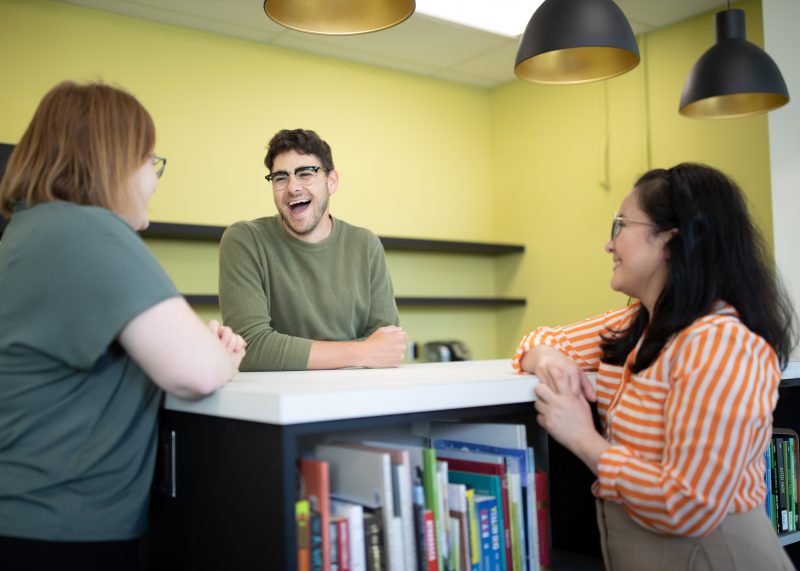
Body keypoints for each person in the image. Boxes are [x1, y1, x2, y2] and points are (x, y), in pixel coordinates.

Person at [0, 81, 246, 570]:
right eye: (150, 160)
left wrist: (199, 345)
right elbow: (195, 370)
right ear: (112, 160)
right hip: (60, 529)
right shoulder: (87, 230)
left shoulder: (32, 232)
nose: (153, 178)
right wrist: (225, 356)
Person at [512, 163, 797, 570]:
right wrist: (549, 359)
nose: (609, 245)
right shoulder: (637, 323)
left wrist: (582, 437)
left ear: (671, 240)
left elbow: (687, 506)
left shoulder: (721, 344)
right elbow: (538, 340)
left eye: (620, 225)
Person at [219, 128, 406, 371]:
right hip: (281, 404)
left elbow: (387, 347)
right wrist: (362, 351)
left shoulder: (366, 244)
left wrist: (369, 352)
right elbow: (251, 347)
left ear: (331, 182)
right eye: (280, 177)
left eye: (305, 173)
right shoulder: (245, 240)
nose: (292, 187)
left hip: (358, 398)